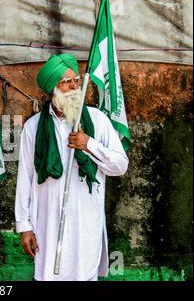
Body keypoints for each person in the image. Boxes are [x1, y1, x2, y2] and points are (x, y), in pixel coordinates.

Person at [15, 54, 129, 281]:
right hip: (47, 223)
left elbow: (120, 165)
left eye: (75, 80)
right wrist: (23, 225)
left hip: (85, 223)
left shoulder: (97, 120)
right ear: (52, 88)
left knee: (84, 272)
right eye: (66, 82)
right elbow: (25, 177)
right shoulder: (33, 127)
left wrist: (90, 145)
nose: (74, 86)